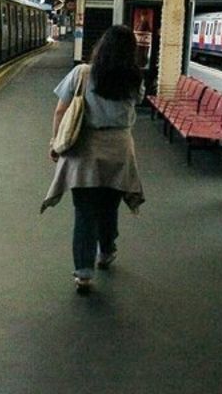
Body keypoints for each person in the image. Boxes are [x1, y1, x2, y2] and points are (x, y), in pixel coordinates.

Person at [42, 25, 145, 293]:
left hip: (84, 150)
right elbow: (137, 104)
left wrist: (56, 143)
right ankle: (107, 250)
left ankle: (84, 273)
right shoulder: (134, 79)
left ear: (101, 47)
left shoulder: (82, 74)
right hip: (119, 150)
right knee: (109, 207)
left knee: (85, 212)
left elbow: (61, 110)